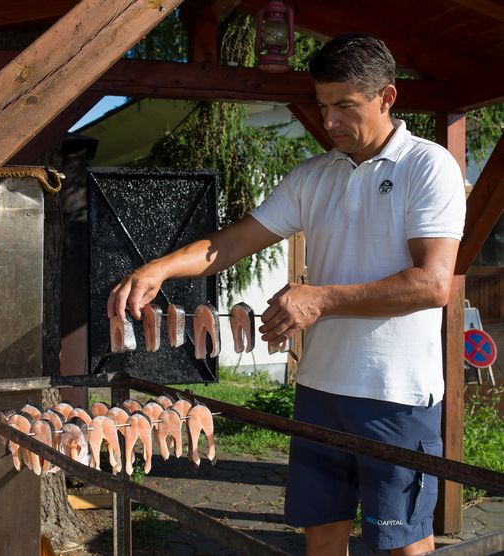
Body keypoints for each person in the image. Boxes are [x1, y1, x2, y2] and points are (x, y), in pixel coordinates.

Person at [107, 33, 466, 556]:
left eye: (346, 106)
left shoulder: (427, 165)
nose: (331, 122)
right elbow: (231, 242)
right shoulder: (312, 176)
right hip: (320, 386)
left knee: (401, 543)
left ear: (387, 98)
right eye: (323, 107)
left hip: (396, 392)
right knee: (320, 533)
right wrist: (160, 268)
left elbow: (432, 283)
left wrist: (318, 299)